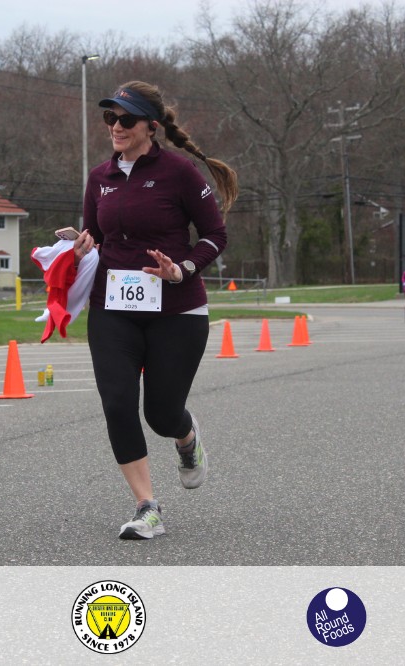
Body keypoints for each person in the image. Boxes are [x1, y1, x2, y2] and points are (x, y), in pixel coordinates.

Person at [75, 80, 237, 540]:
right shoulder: (99, 178)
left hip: (177, 311)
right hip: (113, 307)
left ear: (151, 125)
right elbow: (96, 236)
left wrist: (182, 269)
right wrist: (79, 247)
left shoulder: (179, 172)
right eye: (110, 117)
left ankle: (187, 438)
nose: (116, 126)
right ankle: (147, 506)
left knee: (162, 414)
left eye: (126, 119)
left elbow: (215, 235)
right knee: (117, 403)